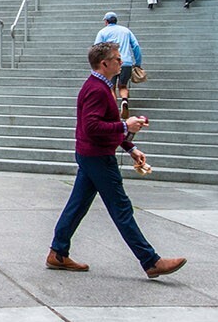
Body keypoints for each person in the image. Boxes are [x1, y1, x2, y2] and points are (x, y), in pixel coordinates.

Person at [47, 41, 187, 279]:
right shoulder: (96, 89)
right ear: (104, 63)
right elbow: (92, 126)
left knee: (77, 205)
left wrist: (130, 147)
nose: (121, 63)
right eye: (117, 59)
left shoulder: (101, 86)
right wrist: (125, 125)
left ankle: (58, 253)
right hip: (98, 157)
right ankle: (150, 261)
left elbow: (102, 123)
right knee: (121, 208)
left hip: (91, 154)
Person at [93, 12, 141, 116]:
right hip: (126, 62)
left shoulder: (103, 32)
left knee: (111, 87)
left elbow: (96, 48)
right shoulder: (126, 31)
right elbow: (136, 46)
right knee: (123, 86)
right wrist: (138, 63)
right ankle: (124, 100)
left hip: (110, 63)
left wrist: (97, 65)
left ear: (106, 21)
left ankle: (113, 110)